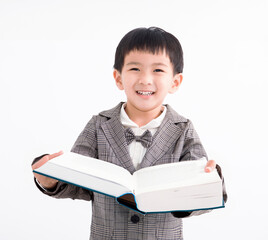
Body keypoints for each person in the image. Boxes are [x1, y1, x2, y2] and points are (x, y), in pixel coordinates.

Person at [32, 27, 227, 240]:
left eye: (158, 70)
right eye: (135, 68)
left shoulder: (183, 129)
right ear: (118, 78)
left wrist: (209, 179)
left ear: (175, 82)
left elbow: (202, 195)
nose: (145, 79)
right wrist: (49, 179)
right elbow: (79, 183)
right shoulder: (99, 125)